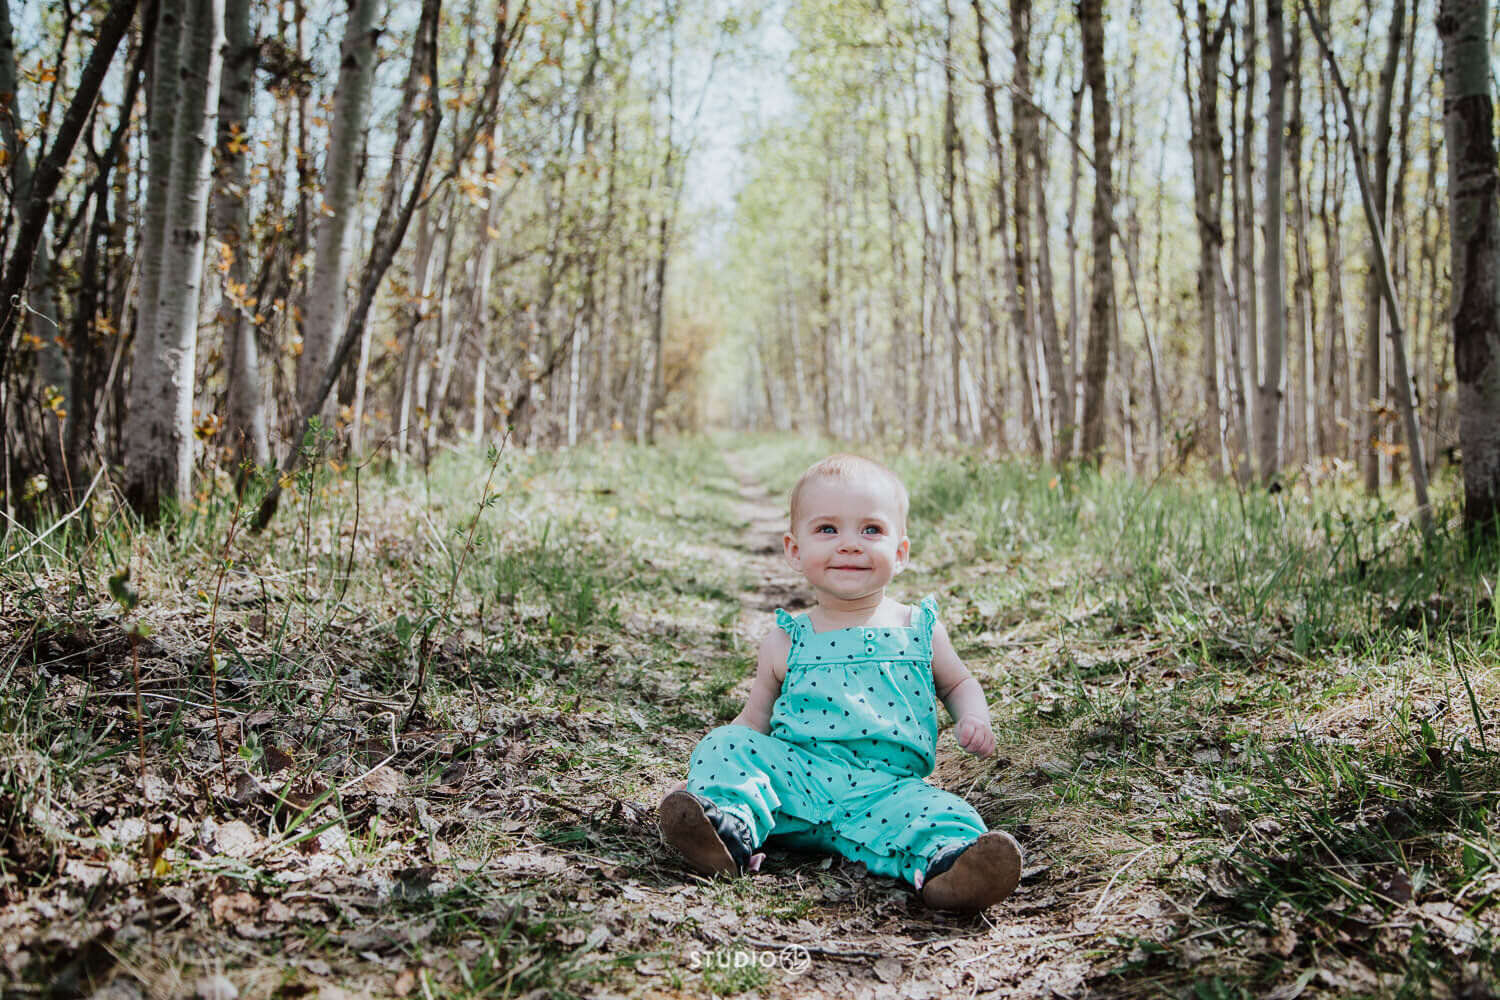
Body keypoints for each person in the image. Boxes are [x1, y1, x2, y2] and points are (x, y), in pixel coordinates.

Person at [659, 454, 1022, 912]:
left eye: (871, 530)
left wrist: (974, 716)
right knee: (724, 742)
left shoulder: (920, 628)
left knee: (953, 816)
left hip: (890, 792)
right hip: (796, 782)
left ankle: (951, 871)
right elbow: (753, 722)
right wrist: (703, 779)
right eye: (828, 530)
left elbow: (958, 683)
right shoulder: (785, 638)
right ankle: (726, 829)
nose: (850, 545)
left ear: (901, 552)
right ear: (794, 551)